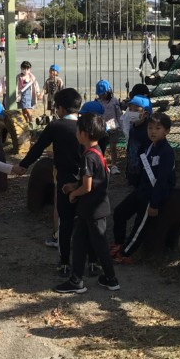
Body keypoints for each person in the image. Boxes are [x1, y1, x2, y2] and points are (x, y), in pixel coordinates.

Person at [12, 88, 82, 276]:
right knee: (85, 219)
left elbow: (38, 148)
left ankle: (64, 261)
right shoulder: (86, 124)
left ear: (60, 108)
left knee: (64, 218)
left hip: (64, 178)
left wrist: (24, 165)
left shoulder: (56, 126)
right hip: (85, 177)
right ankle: (92, 262)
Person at [55, 112, 120, 294]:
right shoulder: (97, 151)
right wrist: (74, 185)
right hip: (93, 209)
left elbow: (88, 186)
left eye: (78, 129)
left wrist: (74, 193)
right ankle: (77, 280)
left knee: (98, 244)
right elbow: (94, 179)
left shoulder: (87, 157)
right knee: (81, 242)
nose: (76, 132)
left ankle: (111, 278)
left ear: (84, 133)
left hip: (92, 208)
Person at [111, 111, 175, 261]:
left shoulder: (167, 152)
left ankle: (126, 253)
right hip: (142, 190)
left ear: (166, 131)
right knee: (120, 212)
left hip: (154, 195)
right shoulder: (148, 147)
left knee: (139, 226)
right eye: (150, 128)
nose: (153, 131)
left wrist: (154, 203)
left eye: (157, 128)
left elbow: (163, 180)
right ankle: (119, 242)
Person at [120, 94, 152, 188]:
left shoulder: (148, 131)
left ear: (145, 113)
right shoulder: (132, 128)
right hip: (133, 173)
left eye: (136, 110)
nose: (131, 112)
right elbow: (130, 151)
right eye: (130, 109)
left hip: (144, 175)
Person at [95, 80, 123, 174]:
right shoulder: (97, 102)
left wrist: (121, 126)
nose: (102, 96)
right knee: (100, 147)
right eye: (100, 94)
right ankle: (101, 165)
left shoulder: (114, 101)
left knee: (113, 146)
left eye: (103, 94)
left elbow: (118, 114)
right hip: (101, 127)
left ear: (109, 91)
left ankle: (114, 165)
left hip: (113, 126)